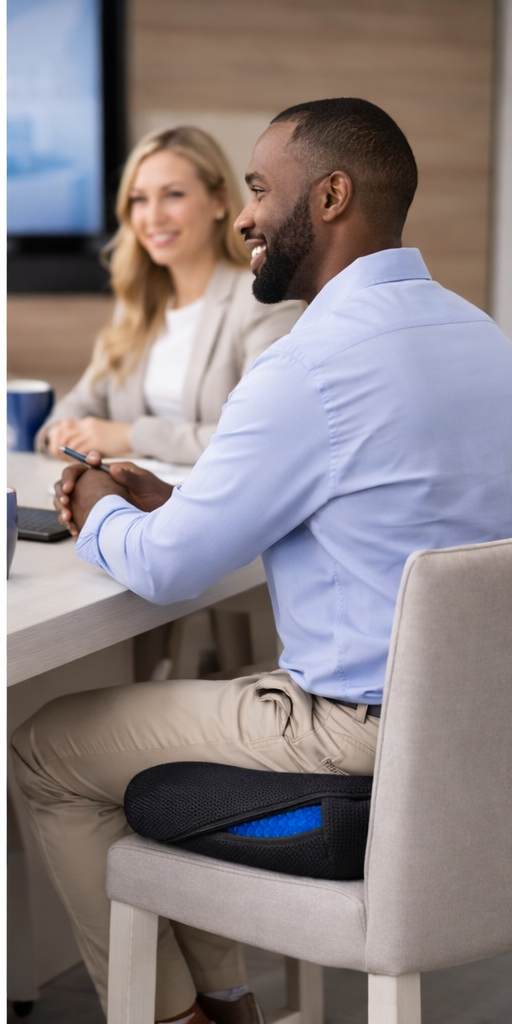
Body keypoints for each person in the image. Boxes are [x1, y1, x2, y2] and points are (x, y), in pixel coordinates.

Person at [12, 98, 512, 1024]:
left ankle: (177, 1019)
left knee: (47, 746)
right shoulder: (482, 339)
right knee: (142, 739)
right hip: (477, 740)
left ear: (329, 196)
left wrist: (96, 508)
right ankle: (229, 1006)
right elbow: (380, 505)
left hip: (352, 738)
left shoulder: (306, 367)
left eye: (256, 189)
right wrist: (180, 500)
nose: (244, 215)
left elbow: (165, 572)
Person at [35, 125, 303, 464]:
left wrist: (130, 436)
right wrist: (58, 433)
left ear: (219, 202)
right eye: (139, 199)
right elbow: (78, 406)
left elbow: (256, 438)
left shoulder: (265, 301)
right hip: (134, 504)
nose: (153, 216)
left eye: (173, 194)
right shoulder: (140, 305)